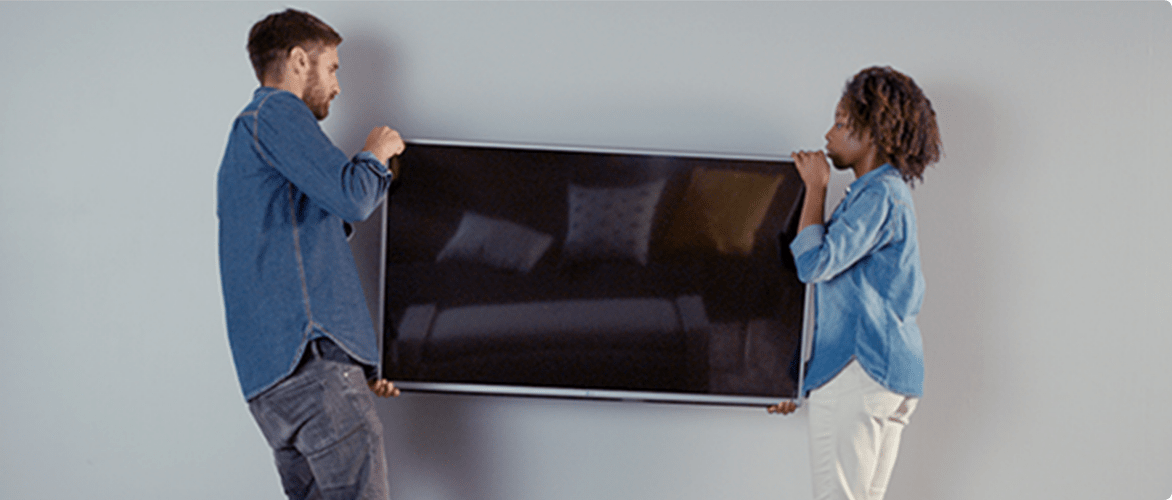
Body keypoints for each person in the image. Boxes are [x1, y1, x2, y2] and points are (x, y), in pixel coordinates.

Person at [217, 9, 407, 500]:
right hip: (312, 368)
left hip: (272, 382)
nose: (339, 86)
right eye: (334, 68)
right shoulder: (275, 113)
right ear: (300, 60)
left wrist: (360, 364)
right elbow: (353, 199)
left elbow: (305, 240)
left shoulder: (246, 145)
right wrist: (375, 152)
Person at [768, 66, 942, 500]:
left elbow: (814, 263)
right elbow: (852, 301)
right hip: (888, 373)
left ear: (875, 134)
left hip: (861, 372)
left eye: (843, 123)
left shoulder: (879, 195)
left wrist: (815, 187)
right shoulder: (885, 194)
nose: (829, 134)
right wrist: (799, 380)